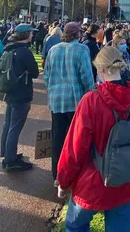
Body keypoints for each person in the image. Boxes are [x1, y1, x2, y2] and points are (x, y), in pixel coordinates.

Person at [57, 46, 130, 231]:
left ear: (100, 70)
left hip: (93, 179)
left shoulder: (91, 100)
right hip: (124, 176)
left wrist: (63, 180)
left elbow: (75, 148)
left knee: (75, 225)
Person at [43, 22, 94, 180]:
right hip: (75, 100)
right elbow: (87, 77)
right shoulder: (81, 49)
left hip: (56, 100)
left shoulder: (53, 50)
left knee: (57, 139)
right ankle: (74, 174)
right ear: (77, 33)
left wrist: (52, 90)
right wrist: (91, 95)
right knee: (76, 139)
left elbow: (47, 75)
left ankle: (57, 174)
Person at [0, 23, 40, 172]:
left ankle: (7, 155)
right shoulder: (24, 51)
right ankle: (10, 160)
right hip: (21, 92)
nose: (32, 35)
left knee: (8, 124)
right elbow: (35, 72)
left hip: (10, 91)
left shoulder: (9, 48)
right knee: (15, 127)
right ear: (25, 34)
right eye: (30, 33)